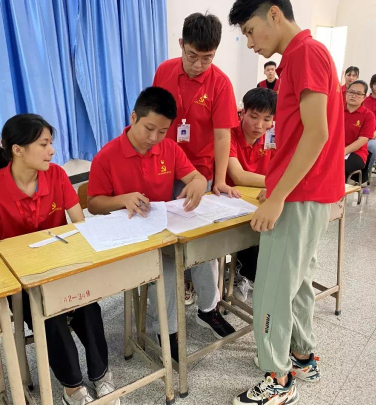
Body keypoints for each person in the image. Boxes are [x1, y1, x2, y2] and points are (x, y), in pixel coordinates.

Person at [229, 0, 345, 404]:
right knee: (295, 285)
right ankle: (302, 356)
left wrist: (279, 195)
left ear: (274, 14)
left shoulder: (305, 53)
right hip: (306, 191)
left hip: (300, 195)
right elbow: (301, 135)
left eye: (249, 30)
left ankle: (278, 379)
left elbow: (317, 133)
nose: (249, 43)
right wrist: (276, 183)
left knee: (273, 290)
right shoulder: (304, 54)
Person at [0, 114, 118, 405]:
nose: (52, 150)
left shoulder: (57, 175)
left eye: (51, 143)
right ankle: (73, 388)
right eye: (44, 144)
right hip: (22, 281)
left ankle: (101, 376)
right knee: (49, 316)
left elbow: (80, 226)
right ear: (17, 150)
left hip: (62, 268)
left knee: (88, 306)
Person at [87, 87, 233, 361]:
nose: (154, 138)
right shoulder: (107, 156)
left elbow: (194, 176)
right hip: (135, 237)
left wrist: (198, 184)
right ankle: (168, 331)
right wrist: (122, 199)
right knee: (166, 273)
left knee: (205, 254)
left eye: (163, 131)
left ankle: (208, 310)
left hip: (166, 229)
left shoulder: (169, 149)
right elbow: (94, 203)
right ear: (133, 117)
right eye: (149, 128)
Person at [152, 12, 240, 314]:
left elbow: (222, 136)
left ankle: (208, 306)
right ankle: (169, 303)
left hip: (198, 172)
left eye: (207, 58)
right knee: (164, 237)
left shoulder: (221, 84)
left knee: (201, 241)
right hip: (162, 167)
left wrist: (219, 180)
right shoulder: (164, 71)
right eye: (192, 56)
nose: (199, 65)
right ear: (181, 44)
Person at [226, 88, 276, 290]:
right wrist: (274, 183)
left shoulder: (272, 136)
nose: (259, 125)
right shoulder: (229, 135)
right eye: (254, 117)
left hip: (258, 201)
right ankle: (241, 273)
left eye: (267, 119)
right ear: (242, 113)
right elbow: (238, 176)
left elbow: (284, 168)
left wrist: (276, 185)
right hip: (232, 203)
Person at [344, 80, 376, 180]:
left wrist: (342, 152)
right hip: (335, 149)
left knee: (339, 167)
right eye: (351, 92)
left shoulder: (368, 115)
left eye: (358, 94)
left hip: (356, 153)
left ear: (364, 97)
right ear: (346, 93)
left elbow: (362, 140)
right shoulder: (337, 110)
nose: (353, 96)